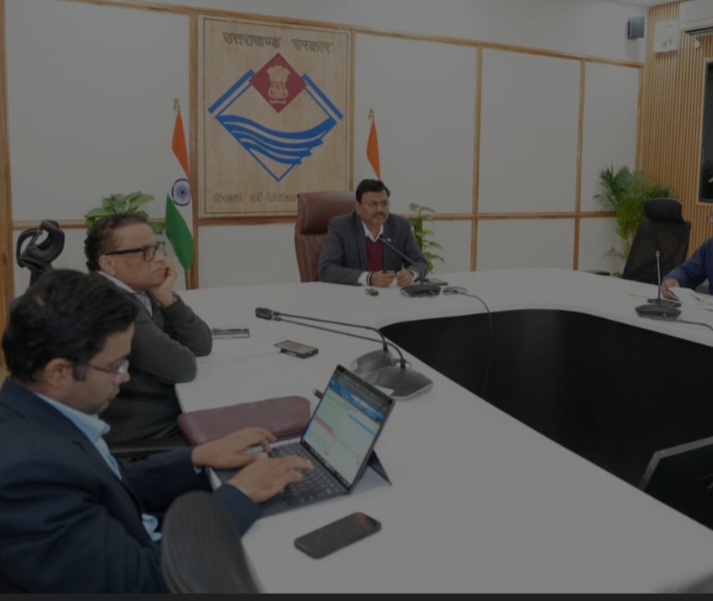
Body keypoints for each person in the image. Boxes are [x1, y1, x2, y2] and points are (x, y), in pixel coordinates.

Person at [0, 269, 313, 593]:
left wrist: (197, 458)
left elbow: (113, 483)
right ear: (58, 373)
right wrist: (238, 496)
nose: (125, 378)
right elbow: (142, 584)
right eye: (117, 366)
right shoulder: (27, 477)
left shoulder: (37, 414)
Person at [84, 213, 211, 445]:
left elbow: (202, 344)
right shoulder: (110, 303)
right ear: (109, 264)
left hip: (162, 412)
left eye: (157, 248)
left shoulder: (140, 290)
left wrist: (167, 299)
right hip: (144, 432)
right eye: (145, 252)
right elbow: (181, 367)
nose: (161, 259)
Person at [317, 178, 429, 287]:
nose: (379, 209)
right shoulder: (341, 226)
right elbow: (326, 269)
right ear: (358, 207)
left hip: (389, 295)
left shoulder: (400, 225)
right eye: (372, 204)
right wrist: (369, 278)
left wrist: (411, 274)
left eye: (384, 204)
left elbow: (420, 262)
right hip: (352, 295)